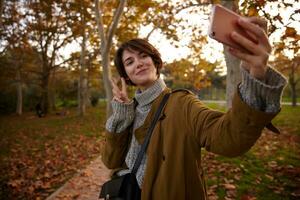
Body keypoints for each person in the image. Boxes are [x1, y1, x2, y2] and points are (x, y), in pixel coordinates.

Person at [101, 17, 287, 200]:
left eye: (143, 56)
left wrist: (255, 72)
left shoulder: (182, 103)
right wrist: (122, 113)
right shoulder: (128, 110)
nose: (138, 63)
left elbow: (229, 138)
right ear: (126, 76)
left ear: (155, 62)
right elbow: (111, 161)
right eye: (130, 62)